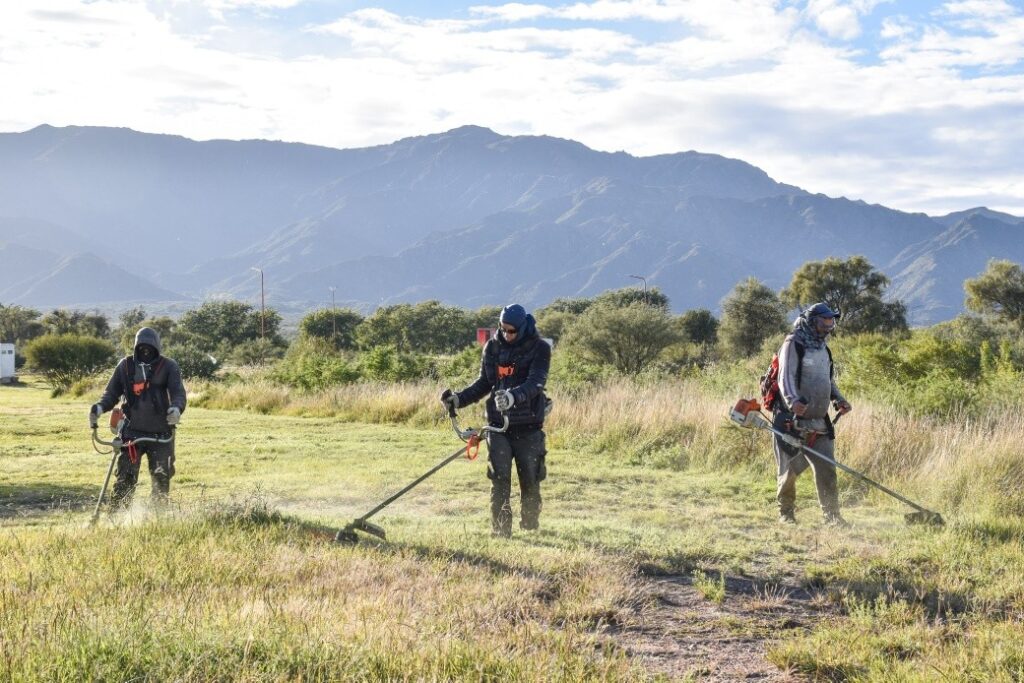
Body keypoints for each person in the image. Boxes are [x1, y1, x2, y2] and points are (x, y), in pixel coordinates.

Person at [440, 304, 551, 538]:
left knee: (530, 479)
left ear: (523, 328)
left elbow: (536, 382)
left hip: (529, 426)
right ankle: (501, 531)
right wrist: (458, 399)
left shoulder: (540, 348)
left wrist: (513, 397)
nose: (506, 335)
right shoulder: (493, 347)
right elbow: (484, 382)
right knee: (500, 479)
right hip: (498, 426)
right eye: (503, 329)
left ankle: (530, 525)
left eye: (512, 331)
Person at [89, 327, 187, 509]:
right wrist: (100, 407)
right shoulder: (125, 366)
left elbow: (178, 393)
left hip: (161, 435)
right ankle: (117, 516)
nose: (146, 351)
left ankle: (158, 516)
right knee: (125, 478)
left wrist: (176, 409)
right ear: (135, 347)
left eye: (149, 347)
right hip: (131, 434)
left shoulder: (168, 366)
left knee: (161, 478)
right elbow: (111, 394)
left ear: (157, 347)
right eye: (142, 347)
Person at [774, 302, 852, 526]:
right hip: (791, 421)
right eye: (824, 321)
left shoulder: (823, 348)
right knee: (789, 470)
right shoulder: (793, 343)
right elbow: (784, 377)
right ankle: (786, 513)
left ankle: (832, 517)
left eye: (831, 321)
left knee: (827, 468)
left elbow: (828, 380)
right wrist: (792, 400)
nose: (828, 326)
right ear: (811, 321)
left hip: (819, 421)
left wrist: (839, 399)